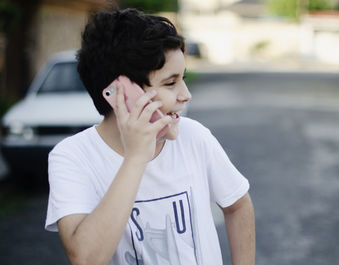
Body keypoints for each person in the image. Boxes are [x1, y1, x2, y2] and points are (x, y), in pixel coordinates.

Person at [45, 7, 255, 265]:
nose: (186, 94)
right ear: (123, 92)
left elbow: (238, 205)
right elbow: (86, 258)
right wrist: (135, 157)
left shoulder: (195, 137)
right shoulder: (72, 157)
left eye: (183, 78)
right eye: (170, 83)